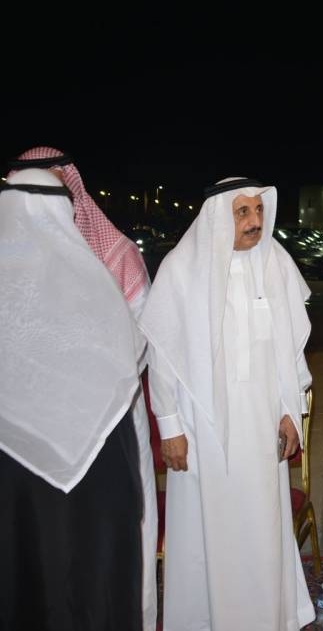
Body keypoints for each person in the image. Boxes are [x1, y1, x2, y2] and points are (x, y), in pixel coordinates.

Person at [139, 177, 314, 630]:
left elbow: (290, 350)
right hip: (203, 429)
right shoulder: (183, 269)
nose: (255, 221)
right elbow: (163, 355)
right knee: (208, 533)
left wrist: (291, 411)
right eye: (243, 212)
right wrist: (170, 426)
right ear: (219, 217)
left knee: (262, 528)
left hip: (262, 425)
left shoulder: (275, 262)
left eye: (258, 210)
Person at [8, 146, 159, 631]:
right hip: (80, 461)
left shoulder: (110, 261)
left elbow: (138, 347)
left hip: (92, 436)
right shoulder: (88, 285)